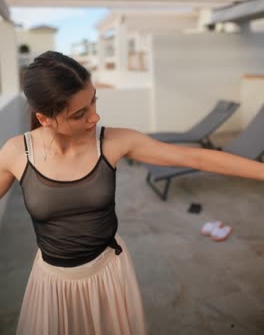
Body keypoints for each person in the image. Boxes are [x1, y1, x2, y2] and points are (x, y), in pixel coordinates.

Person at [0, 50, 264, 335]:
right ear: (45, 118)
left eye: (94, 101)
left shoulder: (113, 141)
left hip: (107, 274)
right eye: (79, 114)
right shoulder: (18, 152)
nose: (95, 116)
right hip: (53, 283)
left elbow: (197, 158)